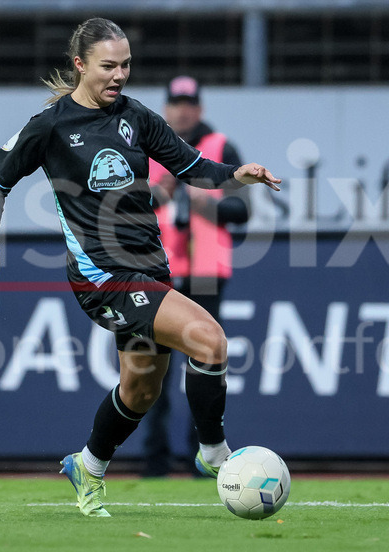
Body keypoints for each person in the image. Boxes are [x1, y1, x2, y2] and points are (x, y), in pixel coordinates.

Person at [0, 17, 281, 518]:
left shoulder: (137, 117)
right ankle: (215, 453)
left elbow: (193, 167)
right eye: (108, 65)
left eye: (126, 64)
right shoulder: (50, 125)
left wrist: (237, 176)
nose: (119, 74)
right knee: (210, 339)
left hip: (150, 271)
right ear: (79, 65)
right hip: (102, 278)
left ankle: (87, 467)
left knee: (140, 390)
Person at [141, 75, 250, 477]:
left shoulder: (220, 147)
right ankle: (153, 460)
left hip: (205, 273)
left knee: (202, 365)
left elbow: (243, 212)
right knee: (152, 368)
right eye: (175, 102)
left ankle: (199, 458)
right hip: (159, 272)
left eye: (189, 102)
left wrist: (205, 205)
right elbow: (126, 207)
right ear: (166, 107)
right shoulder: (149, 147)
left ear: (200, 108)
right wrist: (161, 193)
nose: (182, 109)